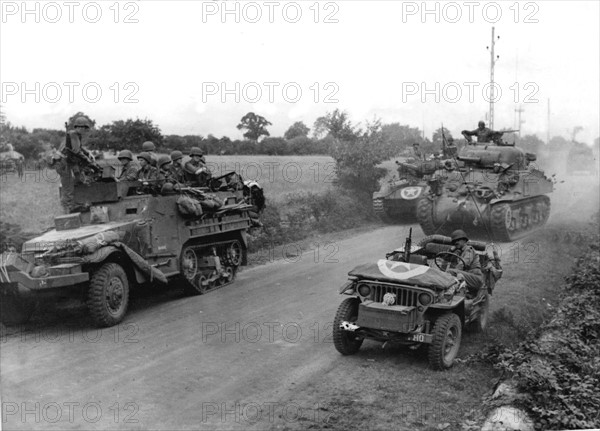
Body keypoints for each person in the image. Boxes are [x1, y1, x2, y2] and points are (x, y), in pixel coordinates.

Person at [48, 116, 95, 213]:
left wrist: (88, 153)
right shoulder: (73, 135)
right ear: (80, 127)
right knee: (68, 186)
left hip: (66, 161)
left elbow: (79, 148)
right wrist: (88, 161)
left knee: (77, 180)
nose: (85, 131)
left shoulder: (74, 135)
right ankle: (68, 208)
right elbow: (76, 151)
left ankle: (73, 203)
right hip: (62, 162)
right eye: (84, 128)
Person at [445, 229, 483, 295]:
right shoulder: (458, 252)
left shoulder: (469, 250)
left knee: (451, 272)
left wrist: (452, 272)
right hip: (468, 277)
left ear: (464, 240)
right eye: (454, 241)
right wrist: (450, 251)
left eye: (458, 240)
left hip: (475, 278)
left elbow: (464, 264)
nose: (456, 242)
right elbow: (446, 259)